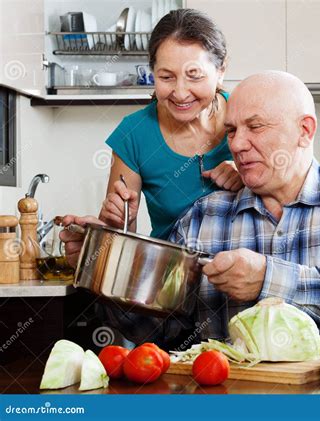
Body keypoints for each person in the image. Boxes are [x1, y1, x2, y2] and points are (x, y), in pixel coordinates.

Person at [64, 71, 320, 349]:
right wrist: (101, 265)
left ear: (305, 130)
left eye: (255, 126)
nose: (238, 144)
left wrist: (267, 280)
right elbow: (158, 332)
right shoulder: (204, 217)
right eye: (231, 130)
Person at [62, 9, 243, 265]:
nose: (180, 93)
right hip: (172, 282)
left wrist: (250, 176)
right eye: (166, 77)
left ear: (221, 71)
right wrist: (119, 219)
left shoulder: (246, 114)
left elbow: (288, 195)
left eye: (194, 76)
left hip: (243, 278)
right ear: (153, 73)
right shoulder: (134, 135)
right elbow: (124, 237)